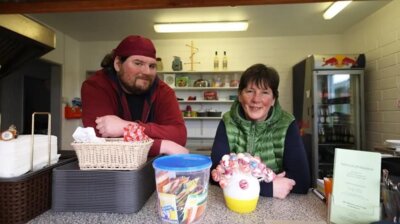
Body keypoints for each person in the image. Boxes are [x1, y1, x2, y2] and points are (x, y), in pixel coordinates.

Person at [211, 63, 310, 199]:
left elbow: (302, 182)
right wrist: (267, 188)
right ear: (240, 96)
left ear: (273, 99)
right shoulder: (227, 122)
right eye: (250, 91)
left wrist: (239, 182)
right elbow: (216, 174)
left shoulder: (287, 124)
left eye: (264, 92)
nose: (256, 99)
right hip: (234, 201)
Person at [81, 35, 188, 156]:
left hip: (152, 168)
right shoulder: (96, 86)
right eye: (138, 63)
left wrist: (126, 127)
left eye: (152, 66)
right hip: (108, 169)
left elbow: (179, 135)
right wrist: (163, 145)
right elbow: (99, 139)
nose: (147, 71)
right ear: (117, 64)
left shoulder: (164, 91)